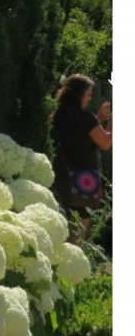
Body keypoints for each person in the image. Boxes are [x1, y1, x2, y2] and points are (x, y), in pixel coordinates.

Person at [51, 74, 113, 247]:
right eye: (89, 93)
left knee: (63, 224)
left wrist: (99, 120)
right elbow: (106, 143)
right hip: (83, 180)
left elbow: (80, 134)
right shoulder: (85, 117)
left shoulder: (59, 115)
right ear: (79, 94)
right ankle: (73, 261)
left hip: (62, 175)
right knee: (79, 230)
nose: (90, 97)